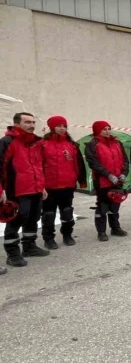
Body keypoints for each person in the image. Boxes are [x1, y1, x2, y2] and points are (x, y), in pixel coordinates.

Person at [0, 112, 49, 266]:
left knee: (33, 218)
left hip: (35, 189)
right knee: (16, 220)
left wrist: (42, 187)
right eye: (27, 122)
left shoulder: (36, 143)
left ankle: (29, 246)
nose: (32, 125)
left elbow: (38, 166)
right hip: (16, 190)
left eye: (33, 122)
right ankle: (13, 254)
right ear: (16, 124)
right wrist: (1, 190)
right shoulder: (7, 142)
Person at [40, 115, 87, 249]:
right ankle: (48, 238)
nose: (62, 128)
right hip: (49, 185)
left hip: (67, 184)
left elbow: (79, 163)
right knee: (49, 213)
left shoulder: (72, 144)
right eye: (59, 126)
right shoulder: (43, 144)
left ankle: (67, 234)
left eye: (64, 126)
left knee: (67, 211)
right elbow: (38, 165)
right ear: (52, 127)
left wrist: (81, 180)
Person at [84, 121, 130, 241]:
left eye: (109, 128)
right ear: (97, 130)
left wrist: (124, 174)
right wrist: (108, 175)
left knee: (115, 204)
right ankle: (101, 231)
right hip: (102, 181)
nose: (107, 131)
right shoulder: (92, 144)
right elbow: (93, 162)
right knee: (103, 206)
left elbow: (125, 160)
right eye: (104, 129)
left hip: (118, 179)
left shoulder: (117, 143)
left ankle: (115, 228)